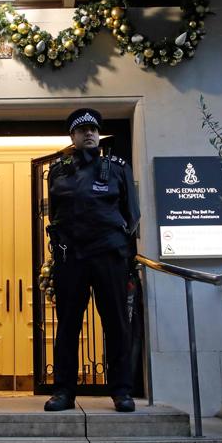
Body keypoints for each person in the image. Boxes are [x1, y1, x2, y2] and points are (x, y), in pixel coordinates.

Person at [44, 108, 141, 413]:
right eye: (82, 130)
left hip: (108, 254)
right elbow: (54, 213)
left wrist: (118, 243)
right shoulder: (58, 170)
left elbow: (132, 214)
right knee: (68, 326)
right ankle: (64, 391)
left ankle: (121, 391)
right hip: (71, 256)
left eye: (94, 130)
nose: (89, 134)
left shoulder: (116, 167)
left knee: (115, 323)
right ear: (72, 136)